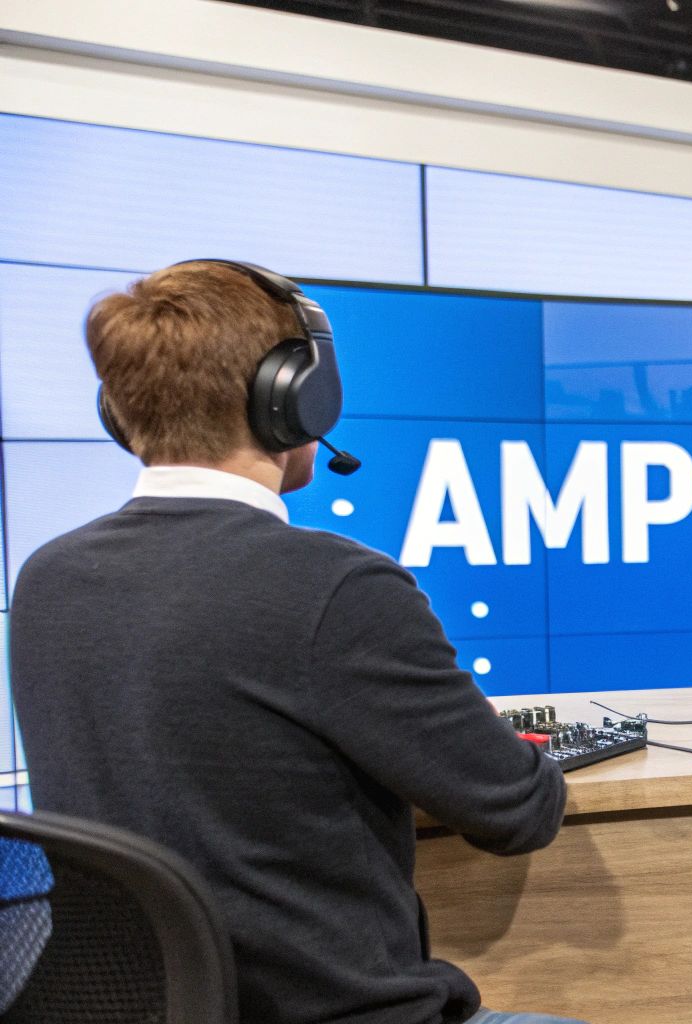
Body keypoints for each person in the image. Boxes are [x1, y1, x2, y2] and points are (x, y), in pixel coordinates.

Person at [9, 262, 585, 1024]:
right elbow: (517, 812)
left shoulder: (47, 577)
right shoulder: (335, 587)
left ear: (122, 413)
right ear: (296, 396)